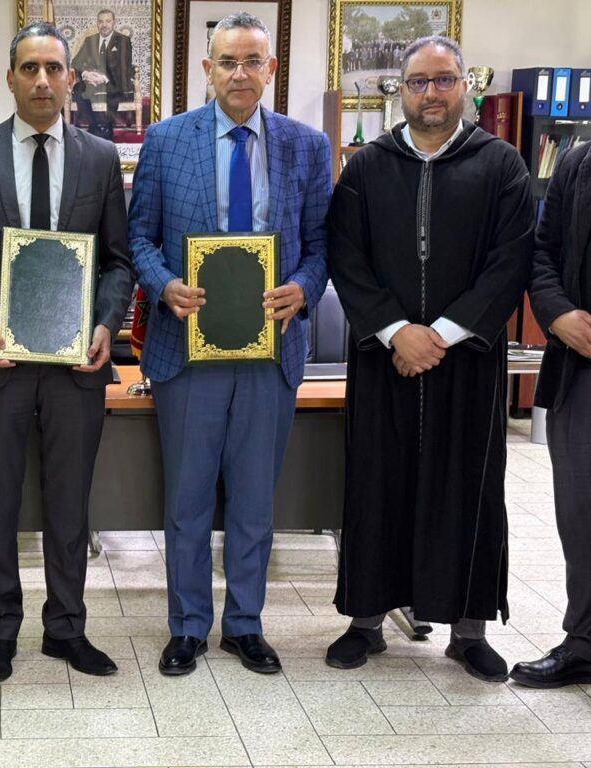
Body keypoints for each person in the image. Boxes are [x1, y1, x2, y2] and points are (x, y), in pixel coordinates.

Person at [325, 35, 534, 682]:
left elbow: (511, 260)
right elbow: (345, 256)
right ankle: (365, 622)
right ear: (402, 91)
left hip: (465, 361)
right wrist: (396, 331)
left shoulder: (500, 165)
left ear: (465, 85)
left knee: (467, 487)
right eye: (418, 82)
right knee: (376, 486)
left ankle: (468, 632)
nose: (431, 93)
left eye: (444, 80)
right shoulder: (367, 167)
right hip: (383, 359)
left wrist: (438, 335)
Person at [128, 12, 330, 677]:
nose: (239, 73)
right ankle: (187, 626)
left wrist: (304, 287)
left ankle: (244, 624)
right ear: (207, 68)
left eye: (251, 61)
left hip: (271, 351)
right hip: (188, 352)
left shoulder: (306, 145)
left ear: (271, 68)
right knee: (187, 500)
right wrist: (164, 285)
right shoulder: (166, 140)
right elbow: (139, 238)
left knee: (253, 501)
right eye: (227, 61)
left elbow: (323, 243)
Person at [0, 21, 133, 683]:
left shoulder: (100, 158)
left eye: (54, 68)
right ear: (11, 77)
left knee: (69, 505)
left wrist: (107, 323)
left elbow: (117, 261)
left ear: (70, 79)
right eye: (30, 68)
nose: (43, 80)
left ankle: (66, 629)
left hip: (77, 365)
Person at [510, 141, 591, 688]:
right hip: (579, 365)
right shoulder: (576, 162)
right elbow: (543, 252)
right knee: (580, 514)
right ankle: (583, 642)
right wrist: (557, 315)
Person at [71, 8, 134, 138]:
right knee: (78, 89)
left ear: (114, 22)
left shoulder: (123, 40)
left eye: (108, 21)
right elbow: (76, 62)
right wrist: (86, 74)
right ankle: (95, 124)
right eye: (101, 21)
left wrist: (104, 78)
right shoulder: (90, 40)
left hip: (113, 82)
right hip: (92, 83)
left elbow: (124, 67)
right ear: (97, 23)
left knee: (113, 91)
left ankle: (106, 126)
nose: (104, 25)